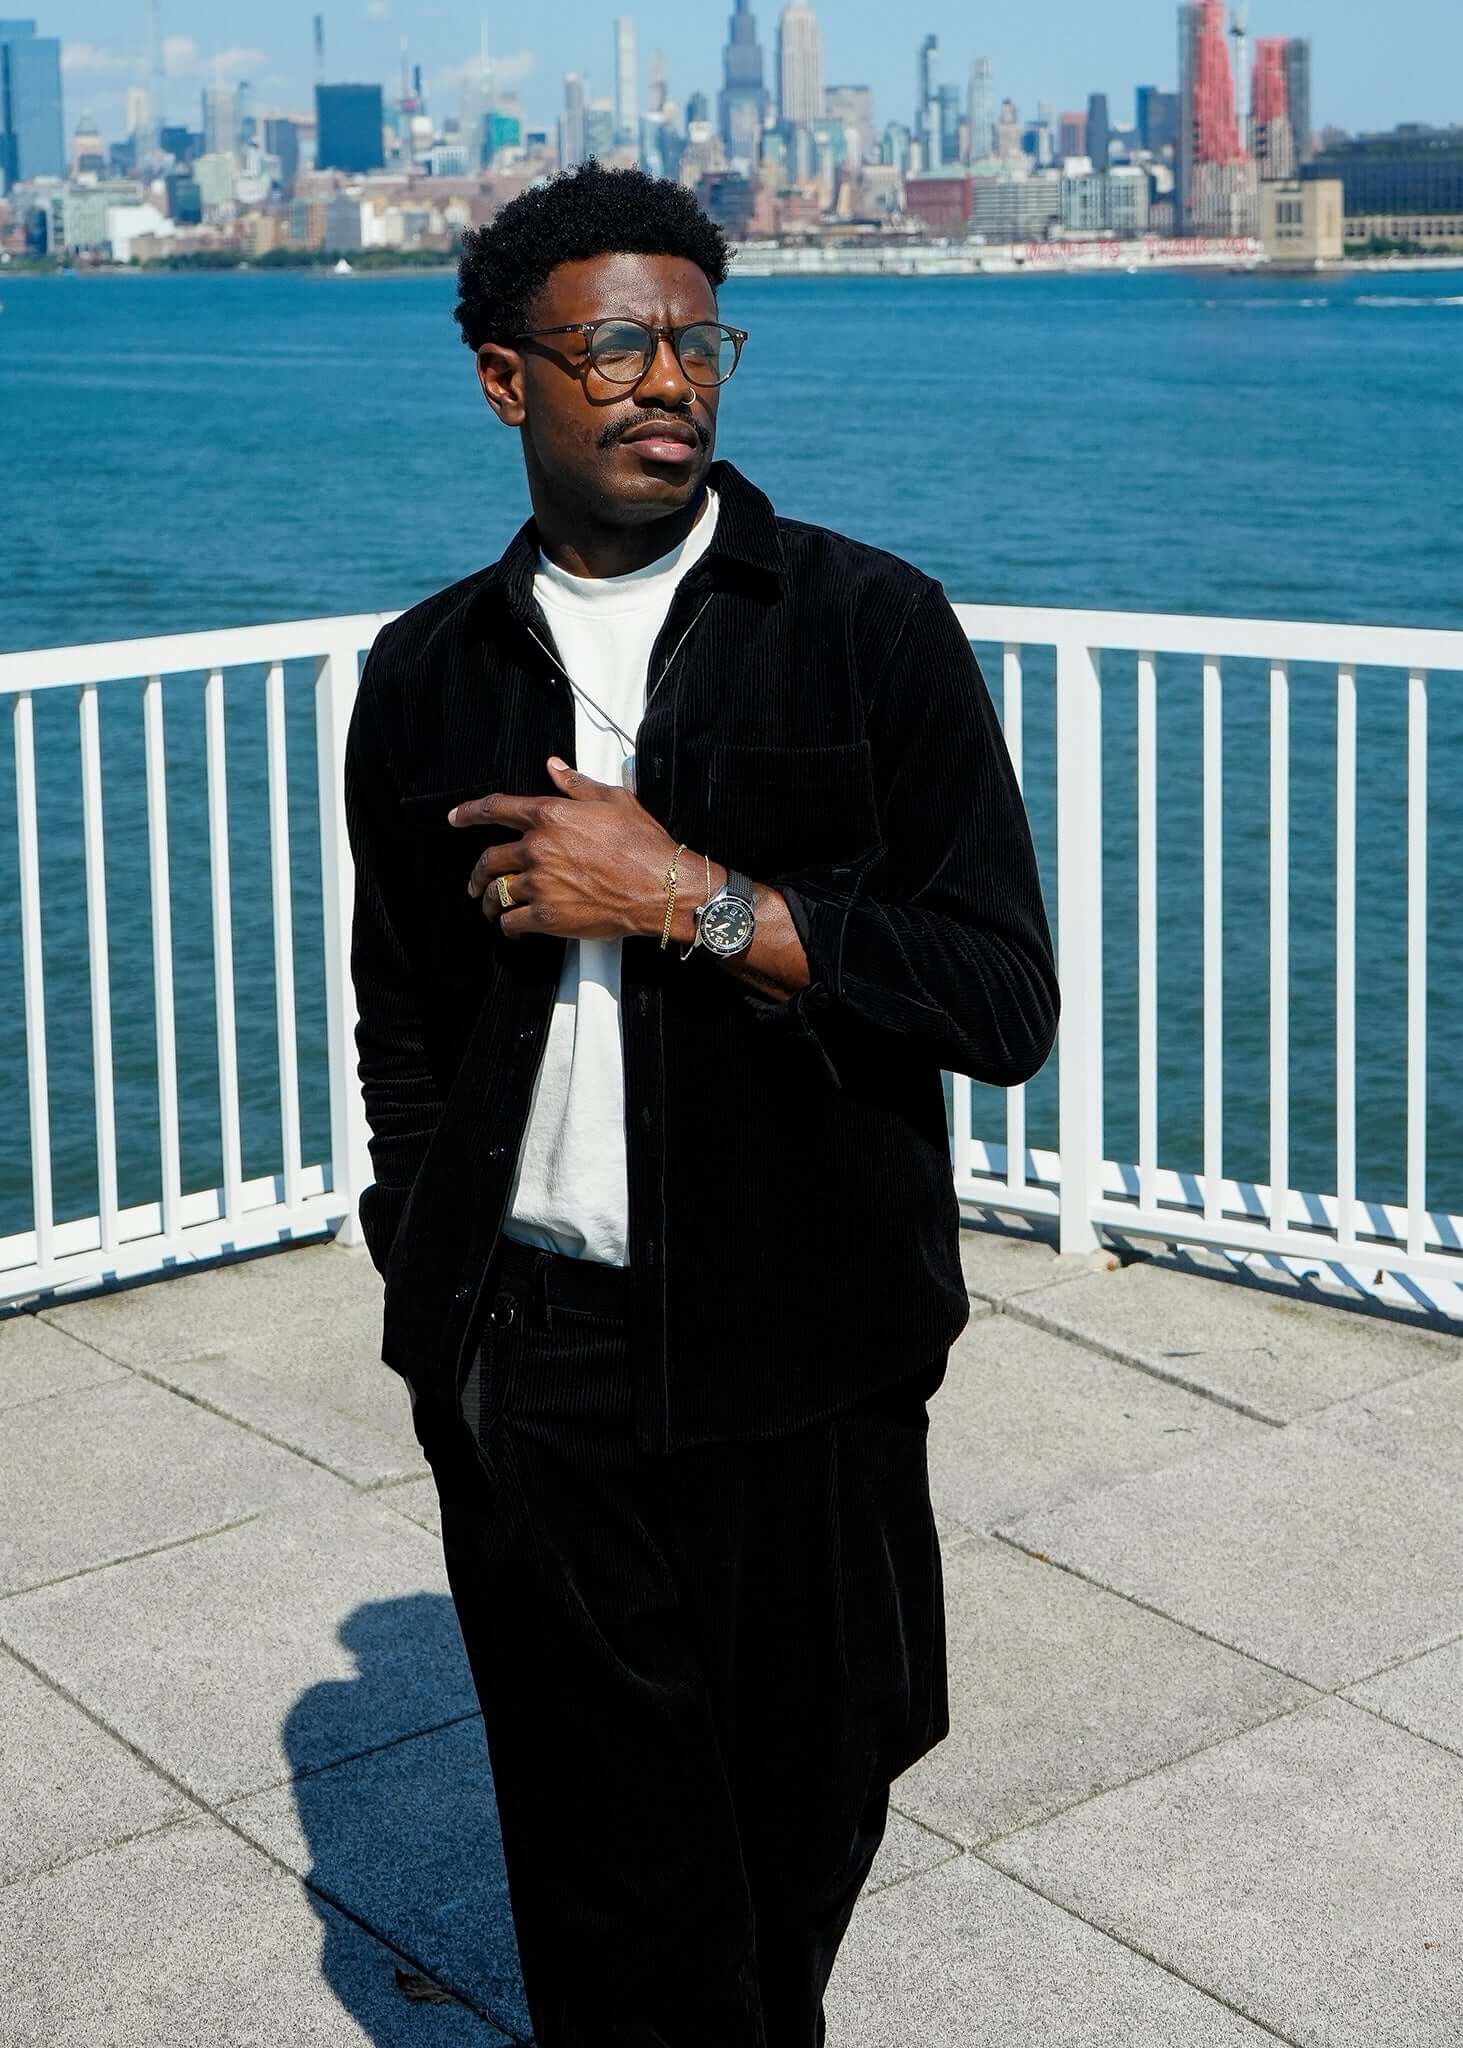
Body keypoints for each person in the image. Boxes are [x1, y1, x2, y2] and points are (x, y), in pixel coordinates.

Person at [344, 161, 1058, 2048]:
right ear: (511, 382)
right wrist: (426, 1292)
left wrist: (688, 898)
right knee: (603, 1879)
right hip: (533, 1352)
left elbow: (1000, 998)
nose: (670, 381)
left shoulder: (870, 626)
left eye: (697, 340)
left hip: (804, 1342)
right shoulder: (424, 680)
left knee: (806, 1813)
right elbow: (404, 1015)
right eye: (615, 346)